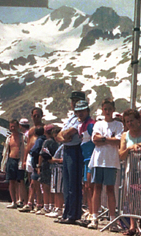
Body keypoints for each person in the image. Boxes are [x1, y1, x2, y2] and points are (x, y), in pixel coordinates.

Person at [88, 98, 124, 230]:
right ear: (102, 110)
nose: (107, 111)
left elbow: (118, 141)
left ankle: (112, 220)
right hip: (98, 159)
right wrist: (108, 139)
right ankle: (94, 217)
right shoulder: (98, 124)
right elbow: (95, 139)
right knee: (97, 188)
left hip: (111, 161)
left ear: (113, 110)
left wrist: (103, 139)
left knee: (110, 189)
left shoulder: (118, 125)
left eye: (109, 109)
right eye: (105, 109)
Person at [55, 91, 86, 225]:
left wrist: (64, 136)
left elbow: (70, 132)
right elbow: (60, 135)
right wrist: (63, 136)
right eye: (72, 100)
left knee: (73, 183)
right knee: (67, 184)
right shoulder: (71, 118)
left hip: (75, 150)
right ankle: (67, 212)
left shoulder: (80, 118)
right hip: (67, 149)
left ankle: (73, 214)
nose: (73, 103)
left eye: (76, 100)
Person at [119, 108, 141, 236]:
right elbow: (121, 154)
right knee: (131, 195)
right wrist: (130, 148)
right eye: (127, 122)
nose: (129, 124)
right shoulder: (125, 135)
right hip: (131, 167)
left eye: (131, 121)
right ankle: (132, 225)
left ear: (138, 120)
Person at [19, 107, 44, 213]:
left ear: (42, 116)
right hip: (30, 156)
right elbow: (27, 145)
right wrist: (24, 159)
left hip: (39, 156)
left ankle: (38, 203)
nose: (36, 117)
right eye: (34, 116)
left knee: (37, 181)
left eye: (38, 115)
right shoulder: (31, 130)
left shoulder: (44, 128)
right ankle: (31, 202)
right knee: (31, 181)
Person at [1, 119, 26, 208]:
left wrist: (24, 160)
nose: (12, 128)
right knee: (11, 181)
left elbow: (25, 149)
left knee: (20, 181)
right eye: (11, 126)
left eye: (14, 126)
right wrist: (4, 164)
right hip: (11, 160)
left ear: (18, 126)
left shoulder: (22, 137)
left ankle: (21, 200)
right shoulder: (9, 138)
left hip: (19, 160)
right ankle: (13, 201)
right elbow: (6, 151)